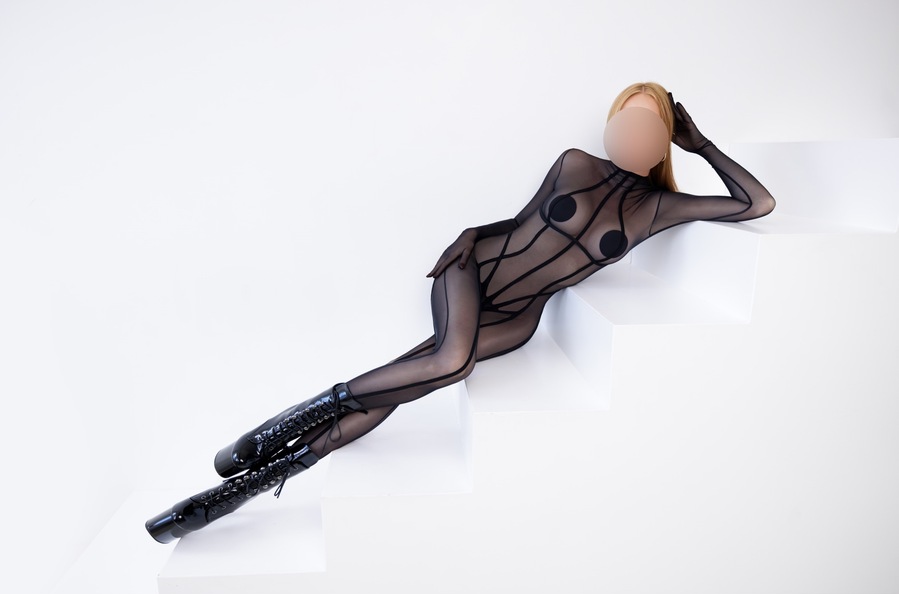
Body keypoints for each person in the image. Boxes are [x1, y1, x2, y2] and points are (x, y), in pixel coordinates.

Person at [145, 82, 776, 543]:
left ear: (664, 138)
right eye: (625, 119)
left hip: (518, 316)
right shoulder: (575, 163)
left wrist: (701, 144)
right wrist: (469, 235)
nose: (633, 133)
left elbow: (757, 202)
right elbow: (520, 222)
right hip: (472, 271)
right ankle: (270, 440)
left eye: (649, 125)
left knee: (420, 373)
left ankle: (245, 481)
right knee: (449, 362)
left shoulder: (660, 208)